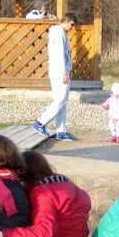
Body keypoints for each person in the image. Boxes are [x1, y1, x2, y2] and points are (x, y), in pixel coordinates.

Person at [29, 13, 76, 141]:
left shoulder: (58, 32)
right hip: (59, 70)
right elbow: (61, 54)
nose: (72, 27)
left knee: (62, 101)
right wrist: (65, 72)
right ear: (66, 21)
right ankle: (39, 122)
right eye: (72, 24)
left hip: (57, 69)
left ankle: (60, 131)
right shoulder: (59, 32)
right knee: (61, 99)